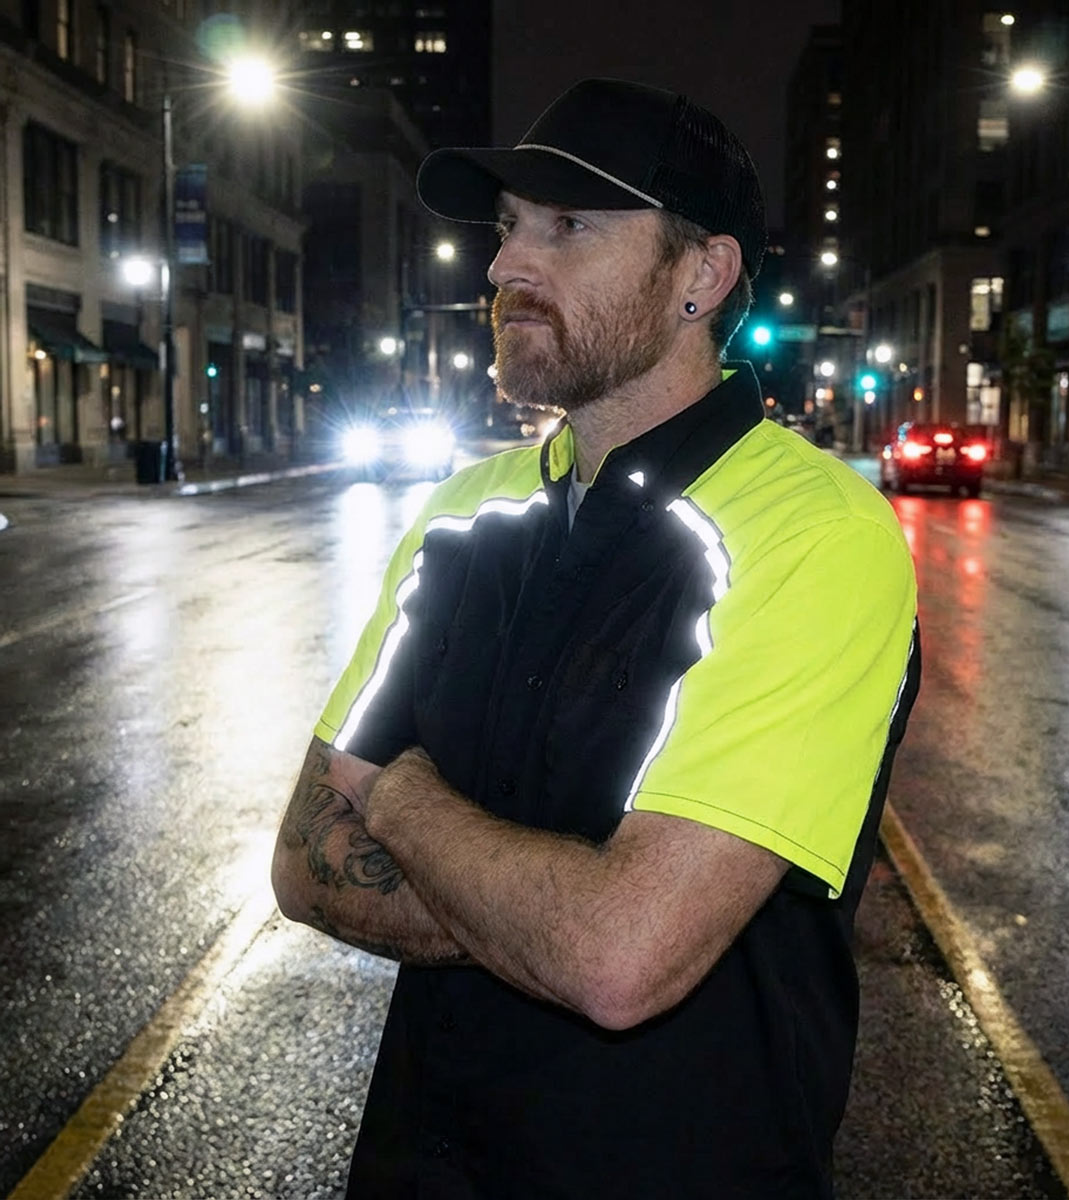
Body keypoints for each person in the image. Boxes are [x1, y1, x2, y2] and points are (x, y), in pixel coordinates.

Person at [272, 77, 920, 1199]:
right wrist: (552, 906)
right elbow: (301, 864)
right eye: (508, 226)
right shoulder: (462, 513)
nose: (504, 267)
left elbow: (620, 958)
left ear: (701, 275)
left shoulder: (814, 535)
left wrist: (400, 797)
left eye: (568, 225)